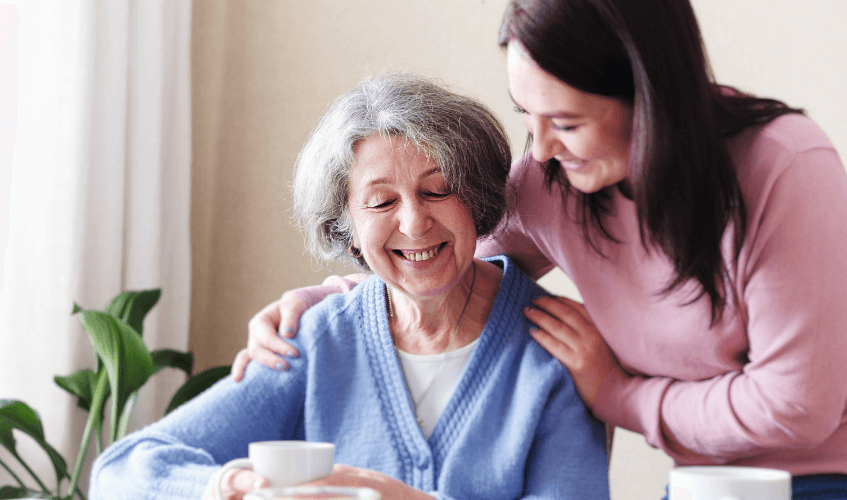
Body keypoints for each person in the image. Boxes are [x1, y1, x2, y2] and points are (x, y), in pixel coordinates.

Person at [235, 1, 847, 498]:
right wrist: (325, 299)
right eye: (527, 115)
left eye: (568, 122)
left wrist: (615, 394)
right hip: (701, 484)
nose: (543, 148)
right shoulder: (555, 181)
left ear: (650, 94)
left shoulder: (784, 167)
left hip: (821, 476)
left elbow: (796, 406)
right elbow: (443, 258)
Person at [89, 72, 610, 500]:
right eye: (382, 203)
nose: (413, 223)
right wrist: (235, 487)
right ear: (350, 232)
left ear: (475, 200)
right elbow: (122, 471)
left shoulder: (555, 348)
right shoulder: (316, 339)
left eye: (437, 190)